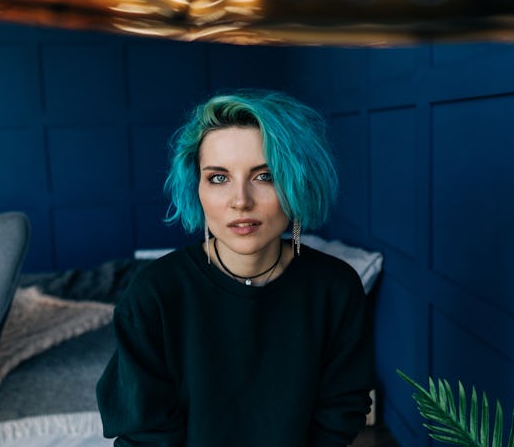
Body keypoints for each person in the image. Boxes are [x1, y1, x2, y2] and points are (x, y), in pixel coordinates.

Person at [96, 88, 374, 447]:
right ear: (195, 187)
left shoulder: (335, 288)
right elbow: (145, 435)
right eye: (218, 177)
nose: (240, 201)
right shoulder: (155, 294)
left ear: (298, 183)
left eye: (265, 176)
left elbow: (340, 414)